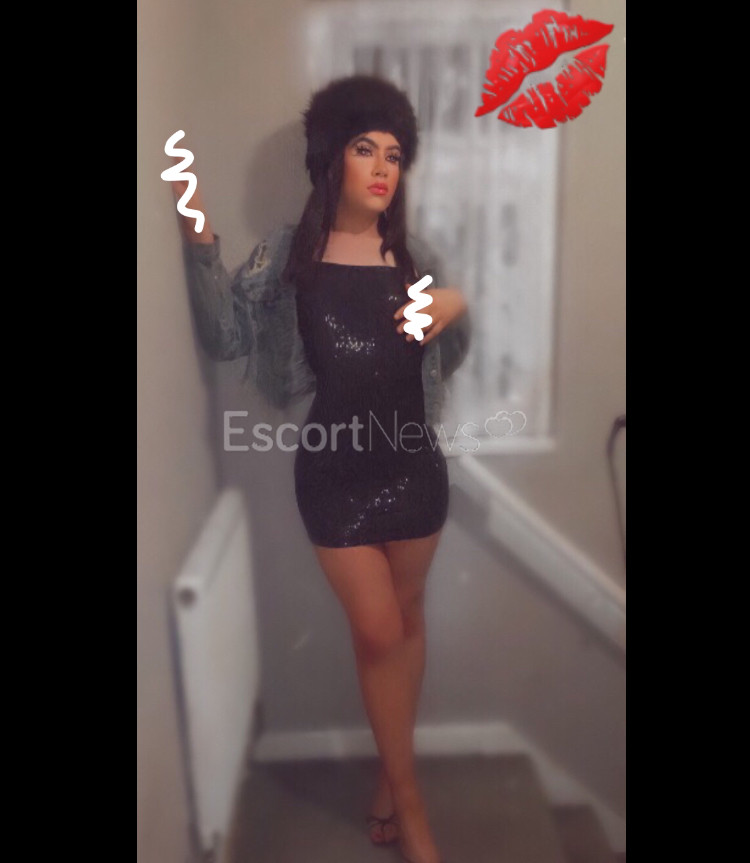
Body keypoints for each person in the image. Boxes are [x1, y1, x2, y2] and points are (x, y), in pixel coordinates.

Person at [171, 74, 470, 863]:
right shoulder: (290, 253)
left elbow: (450, 353)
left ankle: (387, 783)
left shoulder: (415, 257)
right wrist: (197, 228)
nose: (382, 168)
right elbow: (228, 335)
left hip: (415, 470)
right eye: (365, 148)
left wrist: (453, 304)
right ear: (331, 157)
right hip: (334, 478)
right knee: (378, 630)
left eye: (395, 154)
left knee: (407, 620)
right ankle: (411, 804)